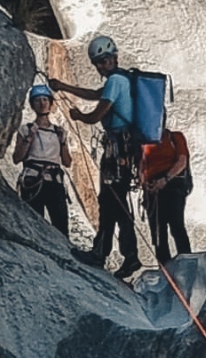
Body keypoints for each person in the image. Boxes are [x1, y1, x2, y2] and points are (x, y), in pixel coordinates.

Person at [54, 32, 143, 278]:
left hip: (117, 151)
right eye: (101, 62)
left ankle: (104, 253)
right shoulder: (120, 79)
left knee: (111, 202)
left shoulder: (115, 82)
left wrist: (79, 117)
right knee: (117, 202)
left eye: (104, 61)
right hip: (123, 149)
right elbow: (96, 94)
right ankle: (125, 255)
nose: (103, 65)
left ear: (111, 59)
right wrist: (63, 87)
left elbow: (96, 114)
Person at [11, 79, 72, 242]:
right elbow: (17, 158)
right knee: (34, 225)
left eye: (45, 99)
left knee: (61, 226)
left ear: (50, 103)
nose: (42, 103)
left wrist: (63, 142)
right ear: (32, 104)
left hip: (52, 180)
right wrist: (28, 139)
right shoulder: (26, 130)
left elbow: (67, 162)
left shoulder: (59, 132)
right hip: (34, 179)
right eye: (38, 100)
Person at [142, 123, 194, 262]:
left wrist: (165, 179)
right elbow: (141, 165)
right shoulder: (144, 142)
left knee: (175, 225)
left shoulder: (175, 137)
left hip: (173, 185)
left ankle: (185, 261)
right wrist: (145, 182)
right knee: (158, 231)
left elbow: (182, 161)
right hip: (154, 187)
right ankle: (167, 265)